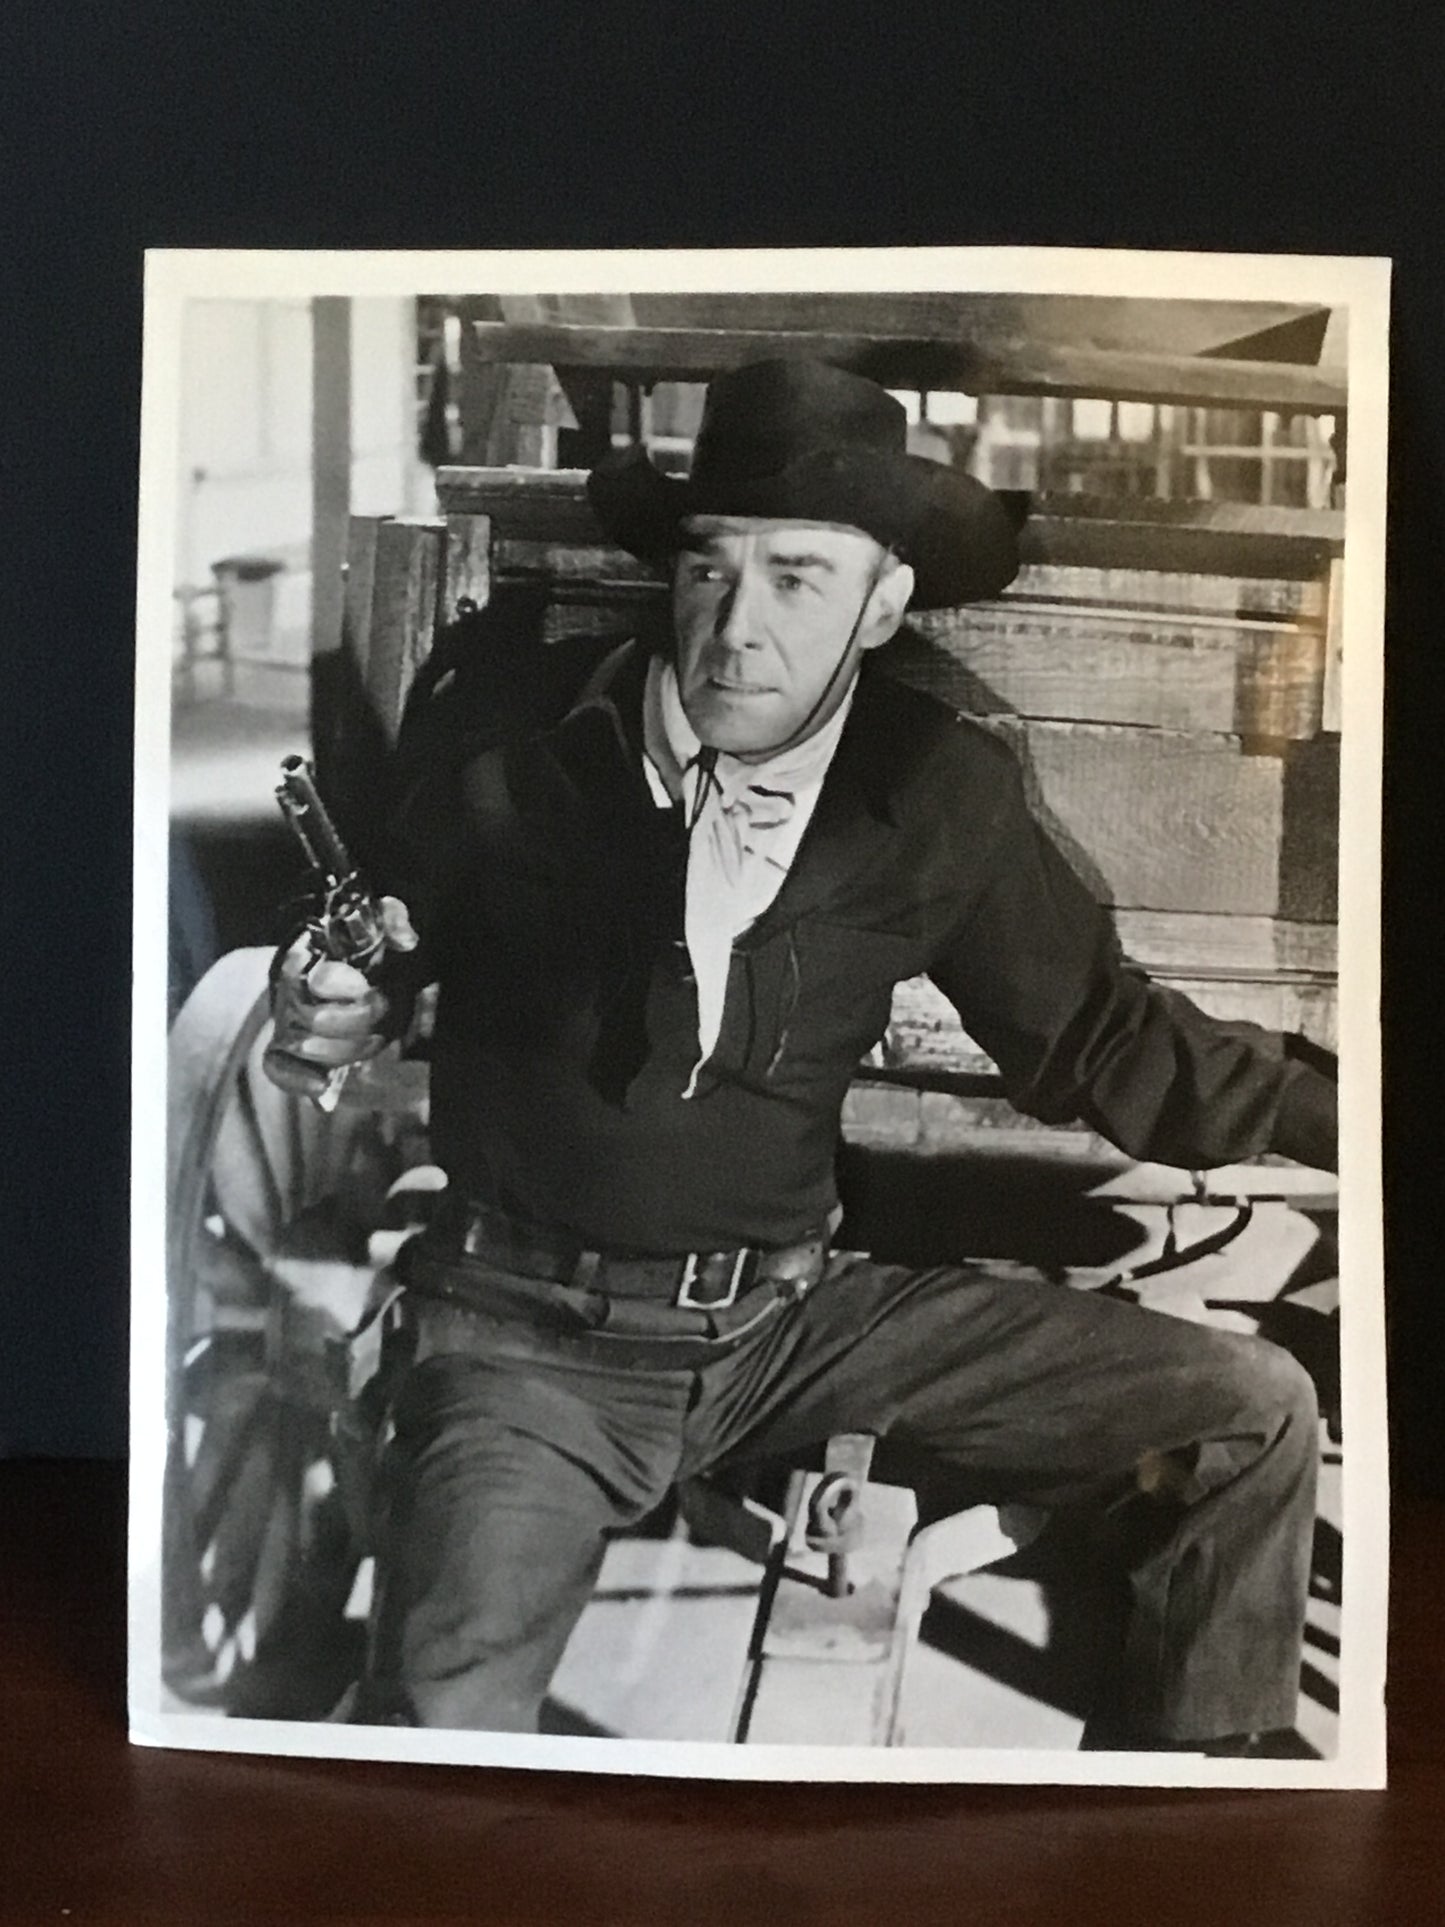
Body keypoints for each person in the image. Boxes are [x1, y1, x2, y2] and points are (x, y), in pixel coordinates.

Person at [269, 359, 1336, 1751]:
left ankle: (1199, 1817)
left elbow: (1097, 1040)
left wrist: (1355, 1123)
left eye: (797, 578)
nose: (735, 632)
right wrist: (324, 996)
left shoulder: (933, 787)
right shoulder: (514, 741)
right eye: (711, 571)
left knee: (1250, 1409)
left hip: (792, 1325)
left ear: (883, 602)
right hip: (529, 1345)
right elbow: (376, 940)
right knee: (438, 1721)